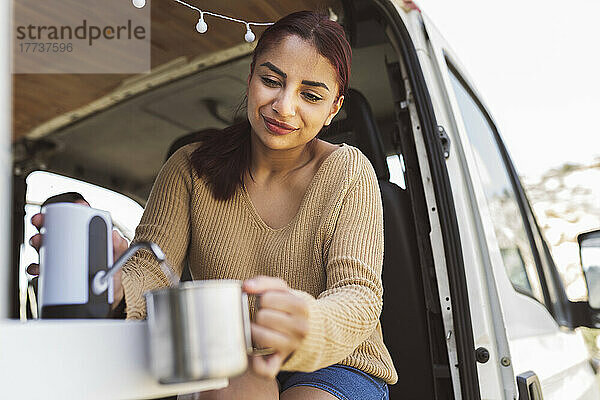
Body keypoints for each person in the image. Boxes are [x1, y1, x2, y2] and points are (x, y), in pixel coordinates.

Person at [31, 11, 397, 399]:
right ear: (251, 76)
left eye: (310, 95)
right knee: (232, 387)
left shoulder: (349, 171)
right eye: (271, 81)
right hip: (227, 357)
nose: (284, 106)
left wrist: (309, 322)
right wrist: (116, 284)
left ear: (333, 108)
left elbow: (359, 296)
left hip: (336, 362)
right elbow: (151, 273)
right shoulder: (189, 168)